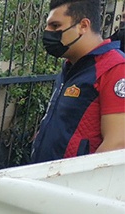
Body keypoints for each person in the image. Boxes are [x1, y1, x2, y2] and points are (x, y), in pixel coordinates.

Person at [31, 0, 125, 163]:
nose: (47, 32)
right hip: (47, 177)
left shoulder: (115, 68)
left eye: (55, 26)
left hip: (71, 184)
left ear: (83, 25)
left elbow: (116, 143)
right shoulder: (72, 66)